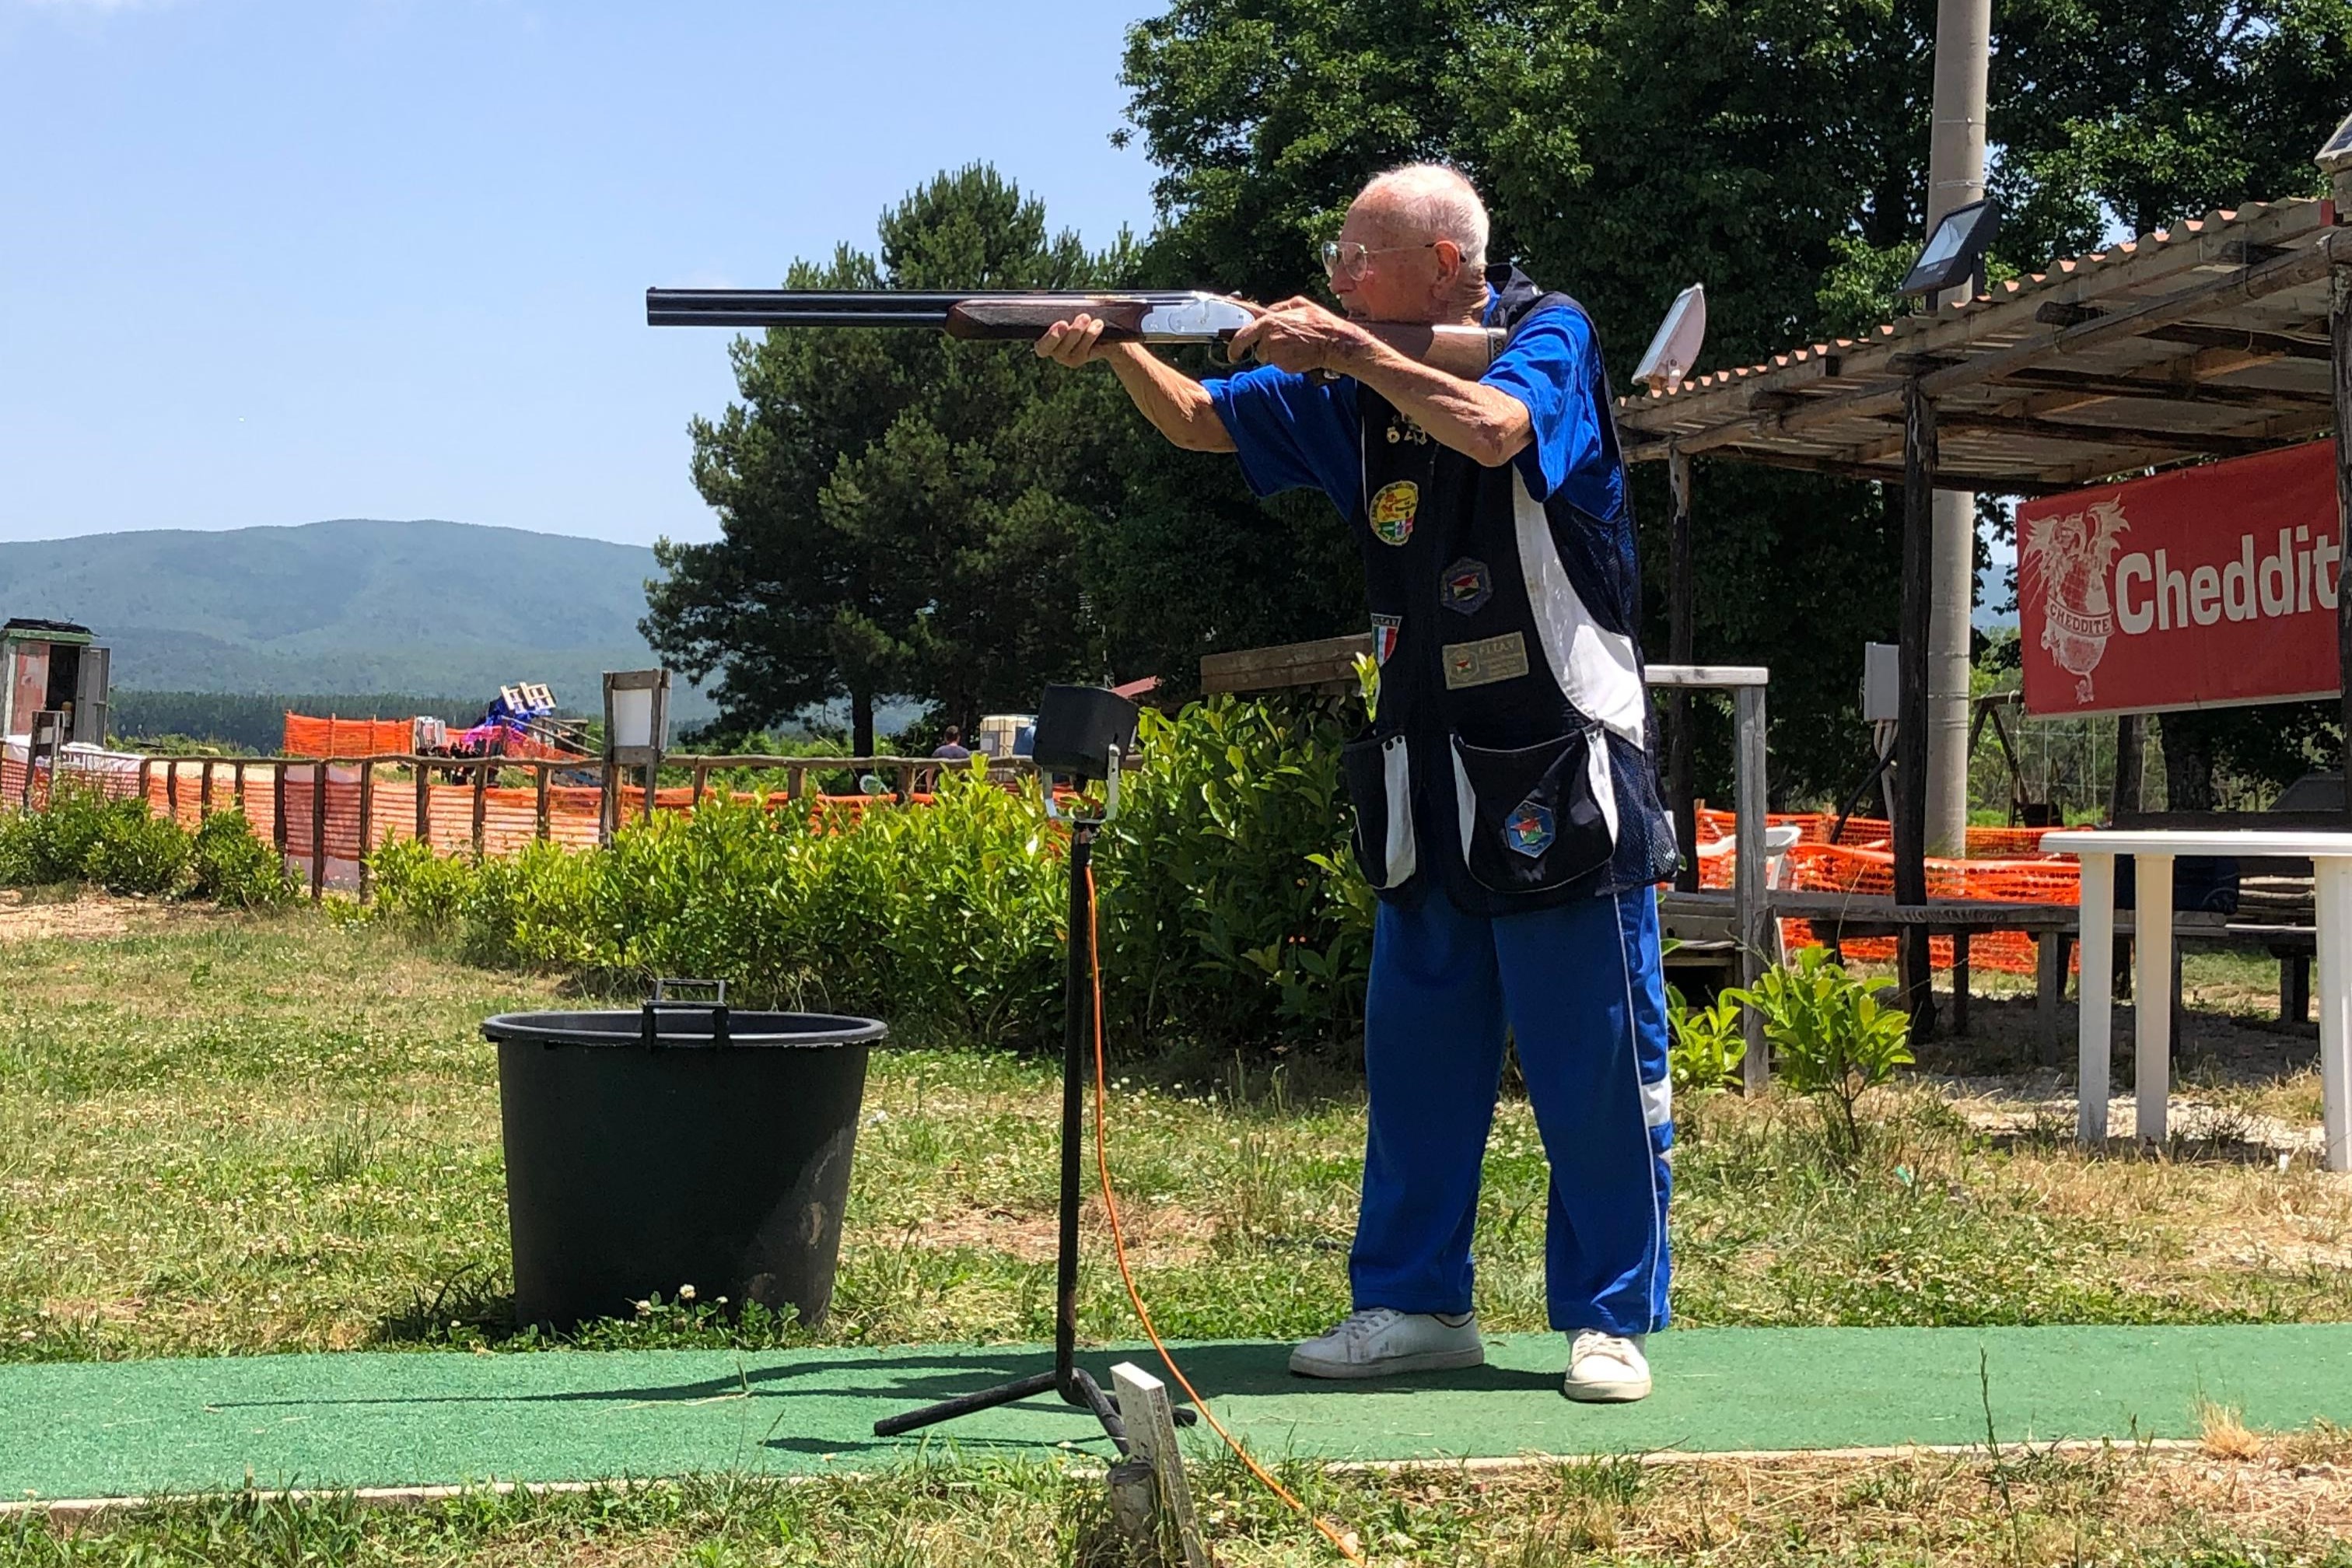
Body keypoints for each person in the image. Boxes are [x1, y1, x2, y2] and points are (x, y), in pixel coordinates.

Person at [1035, 164, 1676, 1402]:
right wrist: (1119, 344)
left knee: (1592, 1060)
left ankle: (1608, 1320)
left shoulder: (1550, 331)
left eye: (1355, 252)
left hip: (1562, 754)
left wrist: (1346, 351)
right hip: (1421, 765)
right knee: (1420, 1056)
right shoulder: (1350, 375)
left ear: (1446, 264)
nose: (1332, 272)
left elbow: (1491, 428)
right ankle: (1413, 1303)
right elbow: (1200, 420)